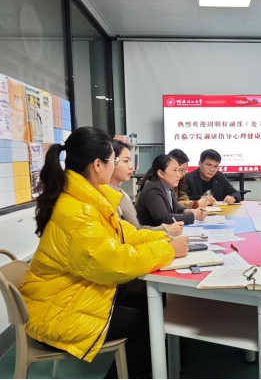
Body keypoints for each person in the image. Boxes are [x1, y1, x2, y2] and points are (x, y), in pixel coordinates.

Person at [18, 127, 189, 379]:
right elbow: (114, 265)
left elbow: (128, 235)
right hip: (60, 312)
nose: (119, 165)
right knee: (149, 322)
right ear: (98, 164)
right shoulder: (78, 211)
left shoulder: (90, 199)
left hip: (76, 296)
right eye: (115, 160)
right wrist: (167, 249)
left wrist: (166, 239)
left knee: (154, 305)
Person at [110, 141, 184, 237]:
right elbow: (131, 235)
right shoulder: (108, 197)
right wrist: (165, 230)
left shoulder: (121, 193)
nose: (131, 167)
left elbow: (136, 229)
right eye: (125, 161)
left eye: (130, 161)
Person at [136, 155, 208, 227]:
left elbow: (175, 208)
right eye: (174, 170)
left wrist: (187, 211)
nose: (179, 175)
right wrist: (194, 216)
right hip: (154, 233)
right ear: (160, 173)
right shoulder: (153, 190)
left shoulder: (166, 187)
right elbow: (164, 219)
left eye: (179, 170)